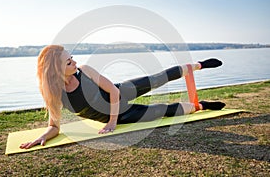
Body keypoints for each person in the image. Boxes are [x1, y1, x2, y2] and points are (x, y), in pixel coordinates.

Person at [20, 45, 225, 149]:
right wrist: (43, 136)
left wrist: (111, 122)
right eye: (68, 62)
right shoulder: (55, 94)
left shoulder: (84, 70)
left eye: (72, 58)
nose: (74, 62)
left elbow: (114, 91)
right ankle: (201, 106)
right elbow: (54, 125)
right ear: (56, 70)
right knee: (163, 111)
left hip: (120, 94)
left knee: (157, 78)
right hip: (124, 115)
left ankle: (198, 65)